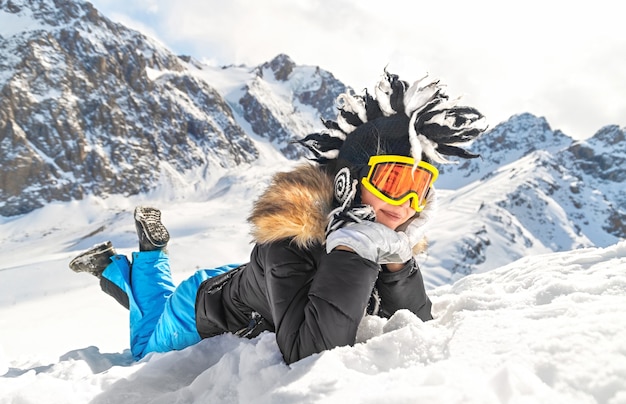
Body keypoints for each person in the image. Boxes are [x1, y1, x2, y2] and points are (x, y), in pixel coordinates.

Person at [69, 71, 486, 364]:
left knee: (148, 314)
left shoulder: (378, 234)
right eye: (393, 181)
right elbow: (311, 355)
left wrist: (397, 263)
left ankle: (125, 267)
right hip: (198, 308)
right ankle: (137, 262)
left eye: (420, 187)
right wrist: (354, 248)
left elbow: (411, 324)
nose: (406, 203)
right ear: (347, 182)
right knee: (145, 344)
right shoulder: (289, 239)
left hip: (254, 284)